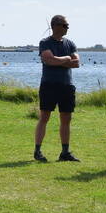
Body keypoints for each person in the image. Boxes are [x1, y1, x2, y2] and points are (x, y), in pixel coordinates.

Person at [34, 14, 81, 162]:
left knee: (66, 118)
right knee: (44, 117)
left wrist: (60, 60)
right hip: (49, 85)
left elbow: (76, 63)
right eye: (65, 25)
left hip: (67, 86)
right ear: (55, 26)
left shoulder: (70, 43)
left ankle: (65, 152)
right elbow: (48, 60)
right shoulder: (45, 43)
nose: (67, 28)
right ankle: (37, 151)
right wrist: (66, 59)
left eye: (67, 26)